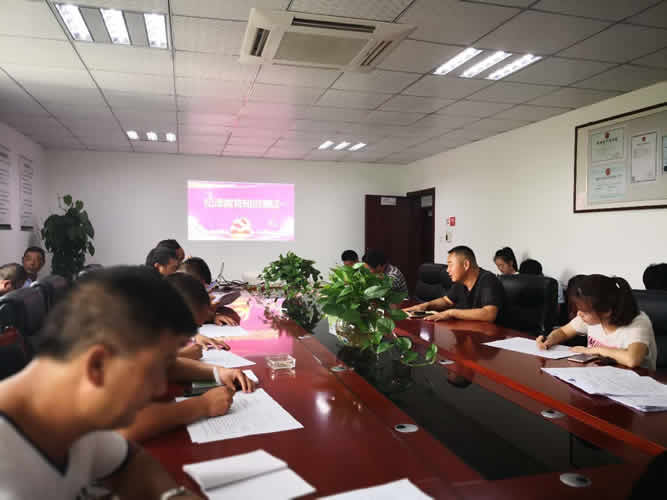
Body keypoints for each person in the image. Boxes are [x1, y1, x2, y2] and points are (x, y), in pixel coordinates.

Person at [0, 266, 203, 499]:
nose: (160, 387)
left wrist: (171, 495)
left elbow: (132, 462)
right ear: (97, 364)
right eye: (155, 369)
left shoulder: (73, 414)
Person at [536, 274, 657, 370]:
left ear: (606, 311)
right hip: (600, 376)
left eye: (584, 311)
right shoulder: (590, 317)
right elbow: (563, 332)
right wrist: (549, 341)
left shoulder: (638, 322)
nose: (579, 314)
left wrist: (594, 350)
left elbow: (632, 359)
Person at [404, 246, 504, 323]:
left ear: (466, 265)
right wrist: (425, 306)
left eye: (450, 265)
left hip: (491, 337)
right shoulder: (461, 282)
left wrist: (451, 313)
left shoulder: (488, 280)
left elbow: (489, 314)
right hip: (468, 330)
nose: (447, 270)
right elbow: (447, 301)